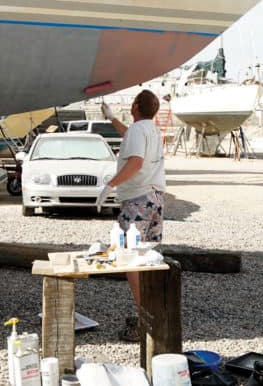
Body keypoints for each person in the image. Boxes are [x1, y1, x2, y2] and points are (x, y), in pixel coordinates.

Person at [96, 89, 165, 342]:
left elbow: (135, 161)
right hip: (155, 199)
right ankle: (154, 315)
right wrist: (112, 118)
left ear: (135, 106)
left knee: (131, 261)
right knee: (147, 258)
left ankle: (144, 321)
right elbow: (129, 137)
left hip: (137, 200)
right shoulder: (151, 129)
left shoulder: (138, 130)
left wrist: (110, 185)